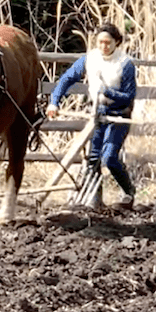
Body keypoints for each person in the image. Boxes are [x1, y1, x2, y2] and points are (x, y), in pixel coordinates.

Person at [45, 22, 137, 209]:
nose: (104, 46)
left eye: (108, 43)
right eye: (100, 42)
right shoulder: (89, 59)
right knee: (93, 159)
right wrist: (55, 101)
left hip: (118, 115)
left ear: (117, 42)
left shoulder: (125, 64)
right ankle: (95, 199)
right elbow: (66, 79)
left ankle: (129, 192)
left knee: (109, 157)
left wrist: (107, 92)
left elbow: (129, 96)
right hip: (96, 114)